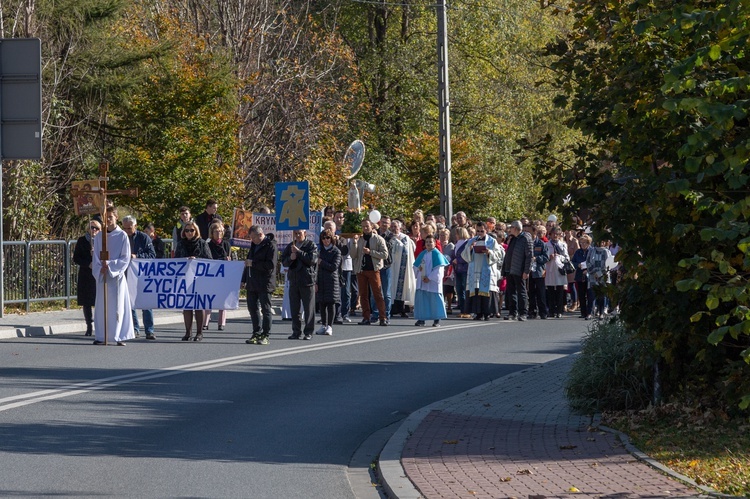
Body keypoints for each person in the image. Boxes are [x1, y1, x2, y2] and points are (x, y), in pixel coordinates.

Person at [92, 206, 134, 346]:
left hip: (115, 276)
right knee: (102, 307)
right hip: (103, 276)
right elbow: (96, 257)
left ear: (116, 217)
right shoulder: (99, 236)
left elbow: (125, 257)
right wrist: (99, 268)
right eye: (105, 217)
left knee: (117, 307)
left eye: (110, 217)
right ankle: (101, 335)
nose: (108, 220)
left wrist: (109, 265)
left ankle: (118, 336)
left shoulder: (122, 236)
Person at [174, 221, 212, 341]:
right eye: (187, 230)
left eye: (191, 230)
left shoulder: (202, 243)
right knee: (187, 306)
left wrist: (196, 260)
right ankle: (188, 333)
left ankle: (199, 333)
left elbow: (209, 260)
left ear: (196, 231)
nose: (189, 232)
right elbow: (176, 260)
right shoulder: (180, 244)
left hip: (199, 279)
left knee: (198, 306)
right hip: (185, 279)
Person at [122, 215, 157, 340]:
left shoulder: (144, 237)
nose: (127, 231)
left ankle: (149, 330)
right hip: (126, 274)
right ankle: (134, 329)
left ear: (135, 226)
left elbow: (152, 254)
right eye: (125, 228)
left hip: (142, 275)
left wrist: (137, 256)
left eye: (129, 228)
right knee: (129, 302)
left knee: (146, 303)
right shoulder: (121, 237)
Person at [349, 219, 388, 326]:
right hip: (361, 270)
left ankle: (382, 317)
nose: (365, 228)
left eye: (367, 226)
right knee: (363, 294)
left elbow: (385, 254)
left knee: (377, 294)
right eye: (363, 226)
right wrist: (354, 243)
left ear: (371, 226)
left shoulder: (378, 239)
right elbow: (353, 255)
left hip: (374, 270)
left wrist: (370, 252)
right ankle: (366, 317)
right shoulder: (360, 239)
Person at [462, 222, 504, 321]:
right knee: (476, 292)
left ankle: (487, 313)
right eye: (478, 231)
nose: (480, 233)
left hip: (487, 270)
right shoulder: (471, 241)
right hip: (475, 270)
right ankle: (478, 313)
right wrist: (470, 249)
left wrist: (489, 252)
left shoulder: (492, 241)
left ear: (486, 230)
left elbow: (499, 255)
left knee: (487, 292)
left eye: (482, 231)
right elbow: (464, 255)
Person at [243, 225, 277, 345]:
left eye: (253, 237)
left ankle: (266, 334)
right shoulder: (254, 245)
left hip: (265, 282)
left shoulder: (270, 246)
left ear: (260, 235)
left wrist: (254, 263)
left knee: (266, 309)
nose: (252, 240)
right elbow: (248, 263)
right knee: (252, 308)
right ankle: (256, 332)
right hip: (252, 282)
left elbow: (270, 266)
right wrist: (244, 279)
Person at [281, 229, 318, 340]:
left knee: (308, 308)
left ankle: (308, 332)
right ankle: (296, 331)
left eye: (299, 233)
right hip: (294, 280)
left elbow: (312, 260)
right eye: (295, 234)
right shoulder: (290, 246)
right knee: (295, 309)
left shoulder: (311, 245)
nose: (297, 236)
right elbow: (284, 261)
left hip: (307, 280)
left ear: (305, 234)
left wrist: (299, 252)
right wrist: (290, 258)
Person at [413, 234, 450, 327]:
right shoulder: (423, 253)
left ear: (434, 243)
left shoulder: (437, 254)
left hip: (432, 283)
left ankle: (436, 319)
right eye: (427, 242)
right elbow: (415, 266)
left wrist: (429, 278)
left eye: (431, 242)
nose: (429, 244)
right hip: (422, 282)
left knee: (434, 301)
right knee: (422, 300)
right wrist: (419, 271)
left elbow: (439, 270)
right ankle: (421, 319)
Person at [74, 219, 101, 336]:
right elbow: (76, 258)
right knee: (87, 301)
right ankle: (89, 325)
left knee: (99, 300)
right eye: (91, 227)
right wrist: (87, 263)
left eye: (96, 228)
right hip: (86, 274)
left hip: (99, 274)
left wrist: (97, 254)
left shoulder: (103, 240)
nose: (93, 230)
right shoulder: (82, 240)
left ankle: (100, 325)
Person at [502, 220, 533, 321]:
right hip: (510, 269)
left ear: (515, 228)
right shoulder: (513, 238)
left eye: (511, 228)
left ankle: (523, 313)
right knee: (511, 292)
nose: (510, 229)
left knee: (521, 292)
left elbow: (529, 256)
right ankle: (512, 312)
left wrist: (526, 271)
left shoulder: (525, 238)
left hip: (519, 269)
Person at [205, 222, 232, 331]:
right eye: (216, 231)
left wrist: (228, 261)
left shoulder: (226, 244)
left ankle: (221, 323)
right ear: (212, 233)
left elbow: (230, 258)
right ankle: (205, 323)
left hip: (224, 275)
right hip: (212, 275)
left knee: (222, 299)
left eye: (220, 231)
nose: (218, 233)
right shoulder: (208, 244)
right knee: (209, 299)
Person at [315, 228, 341, 336]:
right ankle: (323, 325)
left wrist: (322, 262)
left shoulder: (336, 251)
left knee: (331, 304)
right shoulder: (319, 251)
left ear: (331, 238)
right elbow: (315, 267)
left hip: (331, 280)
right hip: (321, 280)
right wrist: (315, 282)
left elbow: (334, 266)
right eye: (324, 238)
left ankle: (330, 326)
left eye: (328, 238)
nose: (326, 240)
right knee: (322, 303)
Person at [370, 214, 393, 323]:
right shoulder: (374, 233)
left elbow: (386, 249)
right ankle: (375, 314)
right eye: (382, 222)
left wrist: (377, 237)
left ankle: (386, 315)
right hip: (376, 266)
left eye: (386, 223)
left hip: (386, 266)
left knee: (386, 293)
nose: (384, 225)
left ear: (389, 224)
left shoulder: (391, 236)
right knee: (375, 292)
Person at [333, 211, 355, 322]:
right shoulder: (331, 231)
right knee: (334, 290)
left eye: (341, 217)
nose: (339, 219)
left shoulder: (348, 232)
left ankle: (345, 313)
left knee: (345, 291)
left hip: (346, 264)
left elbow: (348, 249)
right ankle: (335, 313)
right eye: (337, 217)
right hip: (333, 265)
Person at [545, 228, 570, 318]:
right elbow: (544, 257)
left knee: (560, 291)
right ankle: (551, 310)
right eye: (553, 234)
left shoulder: (563, 245)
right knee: (550, 290)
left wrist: (560, 257)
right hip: (550, 269)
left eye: (557, 234)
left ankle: (559, 310)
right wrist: (549, 257)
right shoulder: (546, 245)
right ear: (550, 234)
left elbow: (567, 258)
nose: (555, 236)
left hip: (560, 270)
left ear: (560, 235)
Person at [528, 225, 550, 319]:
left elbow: (546, 257)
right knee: (531, 292)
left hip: (539, 271)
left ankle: (543, 312)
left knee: (541, 292)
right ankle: (532, 311)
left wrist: (536, 258)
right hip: (529, 271)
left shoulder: (542, 244)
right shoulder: (527, 243)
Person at [572, 234, 593, 320]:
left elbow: (594, 262)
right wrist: (578, 265)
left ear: (588, 243)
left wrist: (588, 269)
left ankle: (589, 312)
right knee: (581, 295)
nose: (583, 244)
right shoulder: (578, 252)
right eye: (581, 243)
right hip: (580, 275)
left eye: (585, 243)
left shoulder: (592, 251)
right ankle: (583, 312)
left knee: (590, 295)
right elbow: (573, 262)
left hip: (590, 276)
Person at [452, 227, 471, 318]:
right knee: (459, 290)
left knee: (465, 290)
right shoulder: (457, 244)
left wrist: (458, 260)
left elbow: (468, 256)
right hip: (457, 270)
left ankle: (467, 310)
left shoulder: (467, 243)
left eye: (457, 233)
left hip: (464, 269)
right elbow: (453, 255)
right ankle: (462, 310)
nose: (455, 235)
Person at [438, 228, 455, 314]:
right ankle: (442, 306)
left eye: (444, 235)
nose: (442, 237)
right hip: (440, 269)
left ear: (448, 236)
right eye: (441, 235)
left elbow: (453, 256)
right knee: (442, 289)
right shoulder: (437, 245)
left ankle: (449, 306)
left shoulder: (451, 246)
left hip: (448, 270)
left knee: (449, 289)